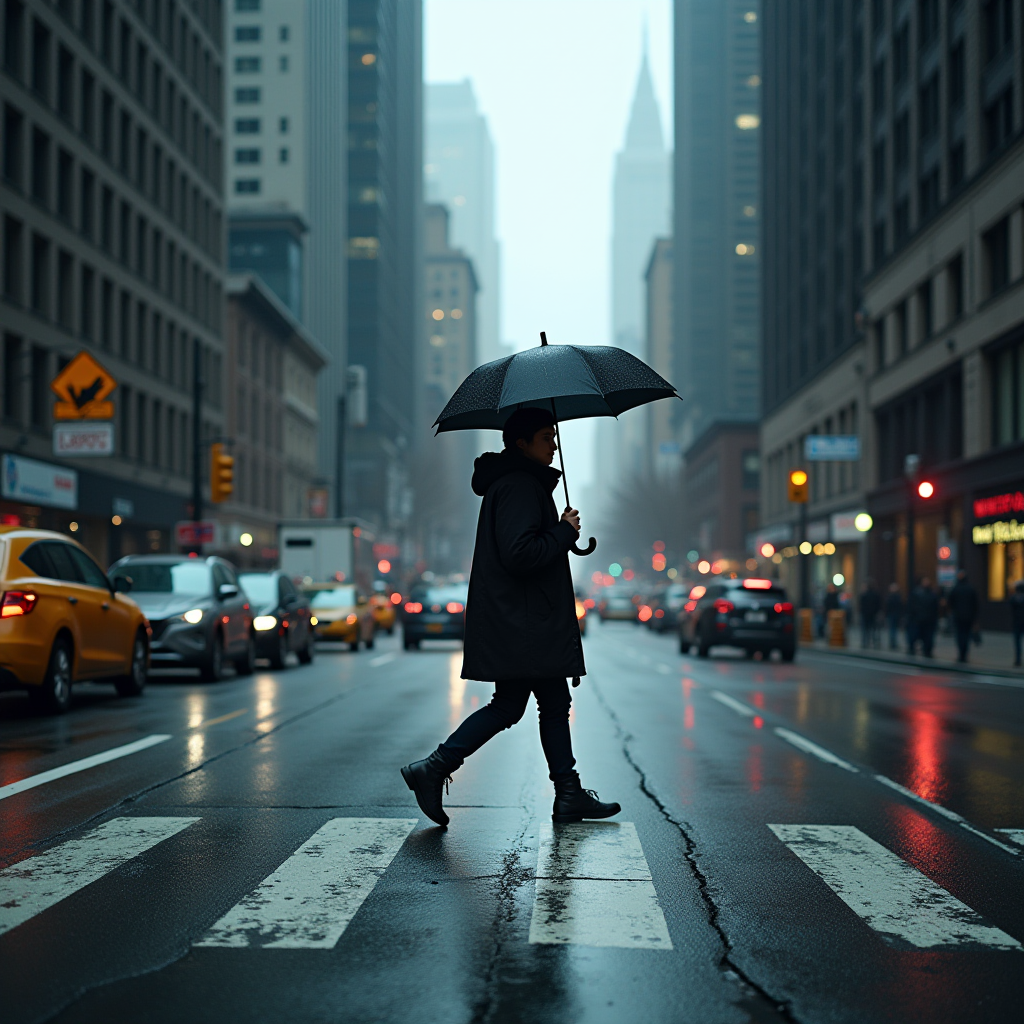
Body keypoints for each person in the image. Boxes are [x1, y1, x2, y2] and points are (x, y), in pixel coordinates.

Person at [401, 407, 620, 828]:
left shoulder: (520, 481)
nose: (554, 443)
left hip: (526, 619)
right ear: (521, 443)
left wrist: (560, 534)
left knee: (537, 704)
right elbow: (520, 554)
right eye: (545, 437)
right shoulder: (519, 485)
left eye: (553, 436)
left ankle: (566, 793)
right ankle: (435, 767)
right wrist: (562, 532)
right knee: (523, 706)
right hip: (526, 623)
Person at [946, 569, 979, 663]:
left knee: (960, 635)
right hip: (969, 617)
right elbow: (975, 604)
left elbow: (950, 602)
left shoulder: (956, 589)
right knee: (967, 635)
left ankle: (961, 654)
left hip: (958, 616)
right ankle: (964, 654)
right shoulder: (971, 588)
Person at [907, 577, 939, 657]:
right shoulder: (917, 593)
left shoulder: (931, 594)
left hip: (927, 620)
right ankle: (916, 649)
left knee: (927, 637)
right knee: (917, 636)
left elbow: (935, 607)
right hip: (920, 619)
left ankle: (927, 651)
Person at [858, 580, 882, 649]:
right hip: (873, 615)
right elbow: (879, 605)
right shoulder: (876, 595)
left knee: (865, 630)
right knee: (874, 630)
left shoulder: (864, 595)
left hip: (866, 615)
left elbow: (861, 606)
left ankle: (865, 643)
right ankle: (875, 644)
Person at [884, 583, 903, 650]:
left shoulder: (896, 596)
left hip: (895, 615)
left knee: (894, 629)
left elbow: (900, 606)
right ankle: (892, 643)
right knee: (892, 629)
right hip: (891, 615)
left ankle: (893, 643)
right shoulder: (891, 596)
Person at [1010, 579, 1024, 668]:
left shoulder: (1013, 598)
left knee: (1017, 642)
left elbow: (1011, 609)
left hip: (1016, 622)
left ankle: (1018, 660)